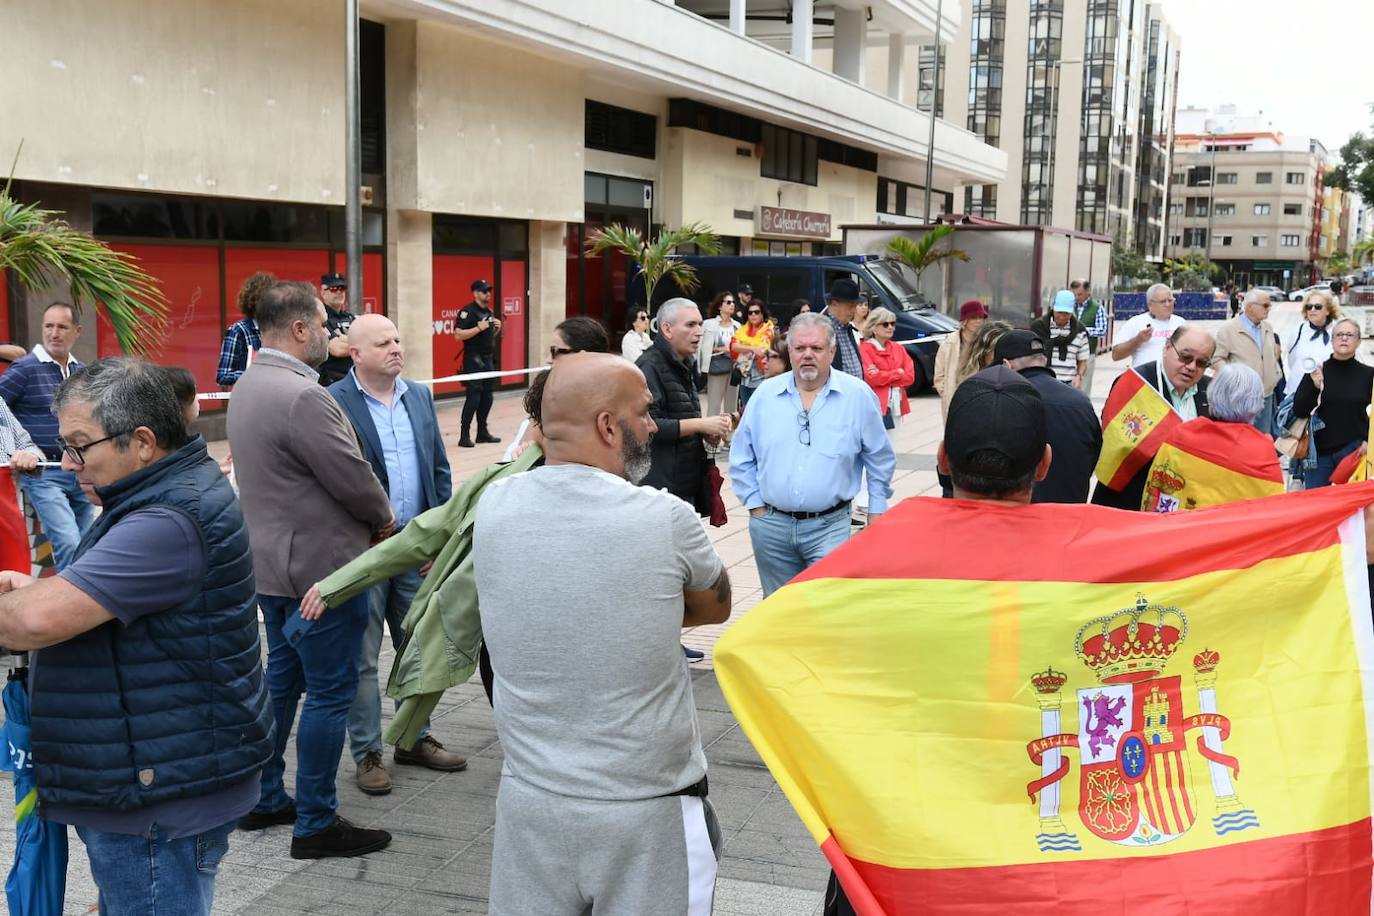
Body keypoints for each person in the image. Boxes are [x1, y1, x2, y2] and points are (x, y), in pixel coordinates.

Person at [0, 357, 272, 916]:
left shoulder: (167, 519)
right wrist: (34, 588)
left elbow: (31, 624)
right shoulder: (154, 496)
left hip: (158, 793)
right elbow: (98, 598)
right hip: (157, 775)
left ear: (142, 441)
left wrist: (29, 603)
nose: (67, 463)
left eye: (79, 446)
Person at [473, 352, 731, 916]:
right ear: (608, 427)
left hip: (529, 799)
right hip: (647, 808)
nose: (650, 425)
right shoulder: (663, 518)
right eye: (642, 413)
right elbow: (715, 608)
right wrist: (636, 606)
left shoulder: (494, 504)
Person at [822, 365, 1051, 916]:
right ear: (1044, 463)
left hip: (890, 841)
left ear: (943, 459)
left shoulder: (865, 565)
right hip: (1028, 843)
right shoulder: (1092, 574)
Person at [227, 280, 395, 859]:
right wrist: (385, 522)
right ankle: (316, 822)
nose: (332, 333)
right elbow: (352, 477)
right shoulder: (303, 394)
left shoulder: (249, 384)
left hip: (271, 571)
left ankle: (268, 796)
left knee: (284, 682)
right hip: (320, 575)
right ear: (299, 329)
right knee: (328, 692)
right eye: (325, 323)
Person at [327, 314, 462, 796]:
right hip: (364, 552)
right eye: (383, 343)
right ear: (355, 353)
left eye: (399, 340)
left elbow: (439, 470)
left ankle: (413, 737)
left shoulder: (420, 396)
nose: (396, 348)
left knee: (420, 648)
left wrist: (440, 534)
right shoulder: (333, 402)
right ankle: (367, 753)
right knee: (363, 657)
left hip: (416, 547)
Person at [730, 313, 895, 596]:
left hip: (829, 527)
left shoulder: (856, 396)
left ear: (832, 352)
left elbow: (880, 457)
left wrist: (877, 511)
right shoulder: (765, 396)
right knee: (778, 613)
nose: (808, 355)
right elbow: (741, 455)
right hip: (771, 527)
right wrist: (756, 506)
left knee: (824, 610)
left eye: (817, 349)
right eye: (800, 348)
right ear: (789, 351)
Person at [0, 302, 95, 569]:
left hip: (81, 470)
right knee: (68, 542)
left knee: (88, 543)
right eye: (49, 326)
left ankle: (85, 603)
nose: (54, 333)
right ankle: (69, 604)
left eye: (62, 327)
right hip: (44, 473)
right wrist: (15, 451)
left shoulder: (82, 372)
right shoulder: (25, 369)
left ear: (77, 331)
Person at [1092, 325, 1215, 510]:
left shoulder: (1211, 390)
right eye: (1185, 357)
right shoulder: (1135, 384)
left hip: (1184, 503)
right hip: (1130, 500)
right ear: (1167, 347)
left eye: (1201, 363)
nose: (1191, 367)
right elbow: (1114, 443)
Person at [1142, 364, 1282, 512]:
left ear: (1213, 393)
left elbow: (1154, 491)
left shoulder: (1181, 435)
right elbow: (1273, 512)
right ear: (1257, 403)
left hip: (1180, 530)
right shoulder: (1262, 450)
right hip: (1234, 534)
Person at [638, 298, 730, 514]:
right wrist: (701, 424)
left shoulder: (685, 363)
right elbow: (649, 426)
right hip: (661, 487)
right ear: (667, 329)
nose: (699, 332)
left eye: (700, 324)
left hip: (686, 480)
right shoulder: (649, 366)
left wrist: (706, 432)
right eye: (690, 325)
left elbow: (681, 414)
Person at [993, 330, 1101, 504]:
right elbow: (1093, 455)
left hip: (1019, 515)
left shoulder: (1002, 401)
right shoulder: (1081, 401)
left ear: (1006, 365)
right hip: (1070, 513)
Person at [1292, 317, 1374, 489]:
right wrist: (1315, 387)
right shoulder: (1316, 371)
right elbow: (1299, 409)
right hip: (1319, 455)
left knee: (1352, 509)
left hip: (1354, 451)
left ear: (1359, 341)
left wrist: (1368, 441)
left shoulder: (1368, 375)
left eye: (1349, 335)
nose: (1344, 338)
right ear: (1332, 339)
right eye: (1339, 334)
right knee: (1317, 507)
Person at [1211, 288, 1282, 435]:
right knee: (1242, 438)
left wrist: (1275, 373)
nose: (1269, 309)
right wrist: (1233, 378)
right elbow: (1217, 359)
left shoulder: (1267, 327)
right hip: (1241, 398)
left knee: (1263, 438)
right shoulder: (1229, 329)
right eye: (1265, 305)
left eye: (1269, 305)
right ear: (1250, 306)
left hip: (1266, 394)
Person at [454, 278, 504, 448]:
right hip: (473, 359)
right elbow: (458, 335)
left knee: (487, 397)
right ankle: (464, 435)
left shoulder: (489, 311)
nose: (488, 293)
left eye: (489, 290)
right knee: (473, 397)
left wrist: (496, 328)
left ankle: (482, 432)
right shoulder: (467, 312)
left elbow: (487, 337)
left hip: (488, 359)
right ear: (475, 293)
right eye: (484, 291)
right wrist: (478, 328)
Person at [859, 307, 914, 431]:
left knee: (893, 444)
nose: (890, 327)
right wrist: (898, 373)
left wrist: (883, 376)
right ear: (873, 327)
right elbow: (872, 378)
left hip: (896, 406)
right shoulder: (864, 349)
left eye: (893, 324)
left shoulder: (898, 348)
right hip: (875, 406)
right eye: (885, 324)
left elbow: (910, 377)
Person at [216, 271, 275, 386]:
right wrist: (252, 373)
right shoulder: (238, 331)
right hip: (249, 398)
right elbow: (222, 376)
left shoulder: (280, 329)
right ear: (254, 302)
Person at [933, 301, 989, 421]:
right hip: (955, 396)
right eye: (974, 317)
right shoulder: (948, 343)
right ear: (965, 320)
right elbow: (939, 374)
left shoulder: (986, 342)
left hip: (980, 396)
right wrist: (946, 392)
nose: (978, 321)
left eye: (981, 317)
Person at [698, 291, 742, 435]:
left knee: (731, 404)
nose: (732, 305)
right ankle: (712, 435)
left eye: (733, 302)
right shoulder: (709, 324)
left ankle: (729, 437)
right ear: (719, 306)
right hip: (716, 365)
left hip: (733, 366)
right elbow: (701, 346)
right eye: (728, 302)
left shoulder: (737, 326)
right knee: (714, 404)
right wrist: (723, 348)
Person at [1112, 283, 1184, 368]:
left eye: (1170, 300)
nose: (1168, 304)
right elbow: (1116, 355)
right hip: (1144, 377)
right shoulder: (1136, 322)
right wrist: (1138, 340)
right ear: (1150, 304)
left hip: (1173, 377)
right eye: (1163, 301)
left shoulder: (1180, 323)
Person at [1031, 290, 1089, 387]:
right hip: (1043, 382)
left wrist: (1079, 376)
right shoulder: (1039, 327)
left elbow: (1082, 360)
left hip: (1069, 383)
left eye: (1066, 313)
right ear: (1053, 308)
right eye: (1059, 312)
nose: (1062, 317)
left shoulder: (1080, 330)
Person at [1285, 289, 1338, 381]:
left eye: (1318, 306)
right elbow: (1292, 360)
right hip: (1298, 388)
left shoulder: (1339, 330)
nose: (1312, 310)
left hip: (1329, 388)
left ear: (1328, 310)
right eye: (1309, 307)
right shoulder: (1298, 331)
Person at [317, 272, 358, 387]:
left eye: (342, 288)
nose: (339, 292)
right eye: (334, 289)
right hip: (331, 381)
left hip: (354, 379)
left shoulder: (350, 317)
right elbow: (337, 349)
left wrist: (345, 340)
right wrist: (360, 342)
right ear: (323, 292)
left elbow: (370, 341)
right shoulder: (320, 317)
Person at [732, 300, 775, 408]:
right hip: (744, 376)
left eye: (756, 312)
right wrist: (752, 348)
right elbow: (734, 347)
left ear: (762, 313)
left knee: (758, 408)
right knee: (745, 408)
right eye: (750, 313)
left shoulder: (768, 329)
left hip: (761, 376)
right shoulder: (742, 330)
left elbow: (762, 349)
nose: (753, 315)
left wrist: (745, 347)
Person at [820, 278, 865, 378]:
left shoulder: (847, 327)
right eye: (850, 306)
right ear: (835, 304)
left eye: (855, 306)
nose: (854, 311)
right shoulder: (821, 329)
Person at [1069, 278, 1106, 394]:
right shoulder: (1069, 306)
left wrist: (1083, 330)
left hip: (1088, 353)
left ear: (1088, 291)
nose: (1076, 297)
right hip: (1069, 352)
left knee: (1084, 387)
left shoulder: (1097, 307)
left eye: (1079, 294)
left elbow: (1102, 330)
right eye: (1074, 294)